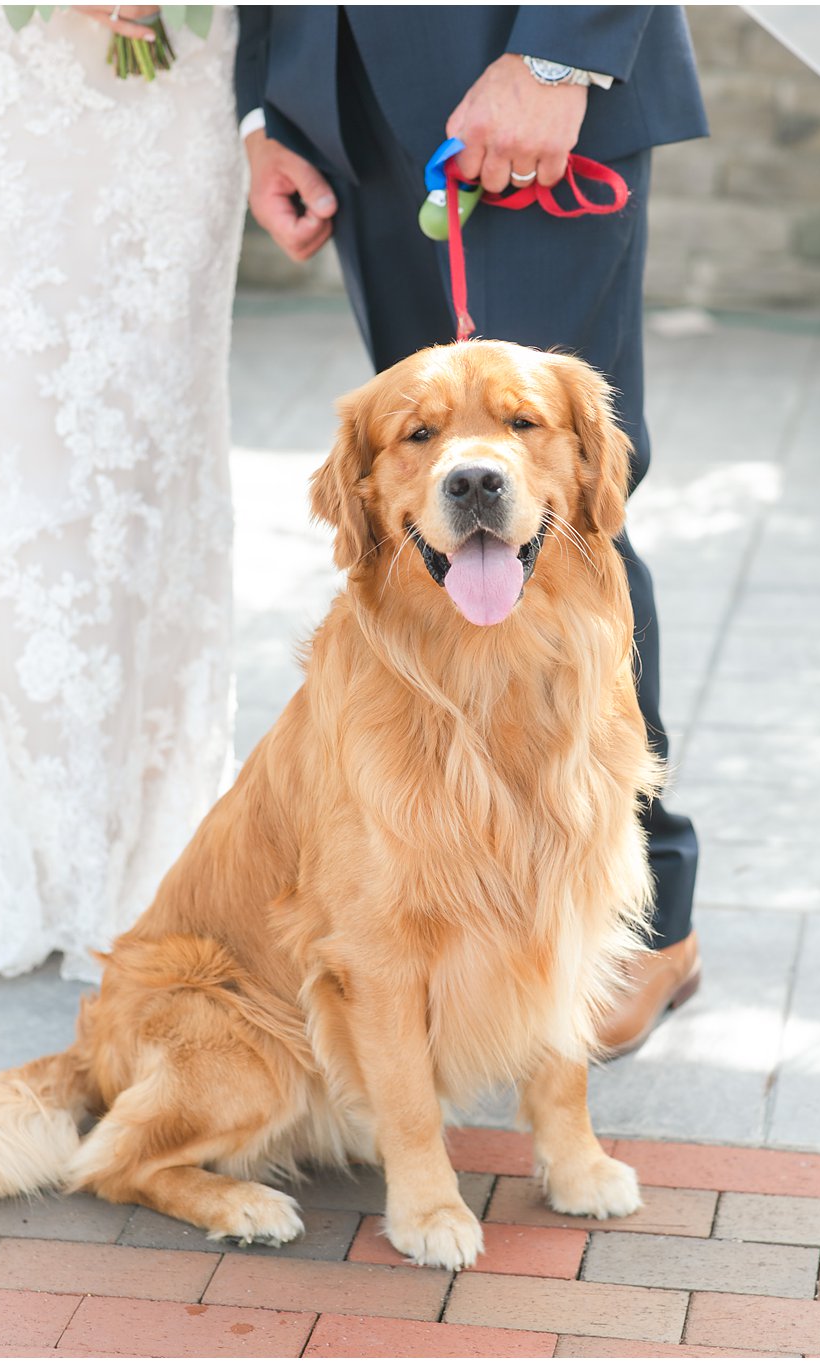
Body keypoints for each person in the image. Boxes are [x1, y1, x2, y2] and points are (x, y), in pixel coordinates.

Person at [236, 5, 707, 1055]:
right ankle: (491, 908)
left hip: (519, 72)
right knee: (433, 506)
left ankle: (648, 917)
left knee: (562, 510)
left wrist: (562, 52)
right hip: (349, 106)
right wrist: (270, 100)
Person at [0, 4, 248, 983]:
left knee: (154, 440)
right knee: (19, 432)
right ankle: (26, 843)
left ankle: (147, 835)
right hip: (24, 77)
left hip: (181, 85)